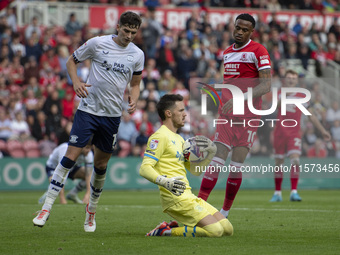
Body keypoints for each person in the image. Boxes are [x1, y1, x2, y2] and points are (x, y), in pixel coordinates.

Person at [33, 11, 144, 232]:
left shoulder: (137, 54)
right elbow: (71, 61)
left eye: (133, 32)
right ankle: (46, 208)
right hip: (88, 111)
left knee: (101, 166)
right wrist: (75, 82)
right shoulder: (96, 43)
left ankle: (91, 212)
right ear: (118, 26)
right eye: (126, 30)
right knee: (70, 158)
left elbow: (135, 83)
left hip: (112, 116)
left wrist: (135, 97)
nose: (129, 36)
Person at [197, 13, 272, 218]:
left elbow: (266, 85)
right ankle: (197, 208)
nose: (239, 32)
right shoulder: (227, 52)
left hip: (248, 116)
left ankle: (224, 212)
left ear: (251, 32)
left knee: (236, 166)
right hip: (227, 115)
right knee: (217, 160)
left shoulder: (259, 51)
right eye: (237, 27)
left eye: (244, 29)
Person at [140, 94, 233, 237]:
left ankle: (171, 226)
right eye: (181, 110)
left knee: (227, 229)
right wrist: (165, 181)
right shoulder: (159, 136)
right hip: (175, 199)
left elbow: (194, 171)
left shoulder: (179, 139)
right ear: (169, 113)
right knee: (216, 231)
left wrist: (209, 155)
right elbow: (144, 168)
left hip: (188, 196)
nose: (185, 114)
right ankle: (165, 231)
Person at [270, 70, 331, 202]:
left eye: (294, 78)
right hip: (280, 132)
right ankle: (277, 193)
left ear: (297, 80)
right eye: (289, 77)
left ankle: (294, 191)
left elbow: (310, 115)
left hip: (294, 132)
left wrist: (322, 131)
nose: (291, 80)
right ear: (285, 79)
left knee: (295, 160)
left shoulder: (302, 95)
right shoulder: (279, 92)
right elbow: (275, 107)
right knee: (279, 162)